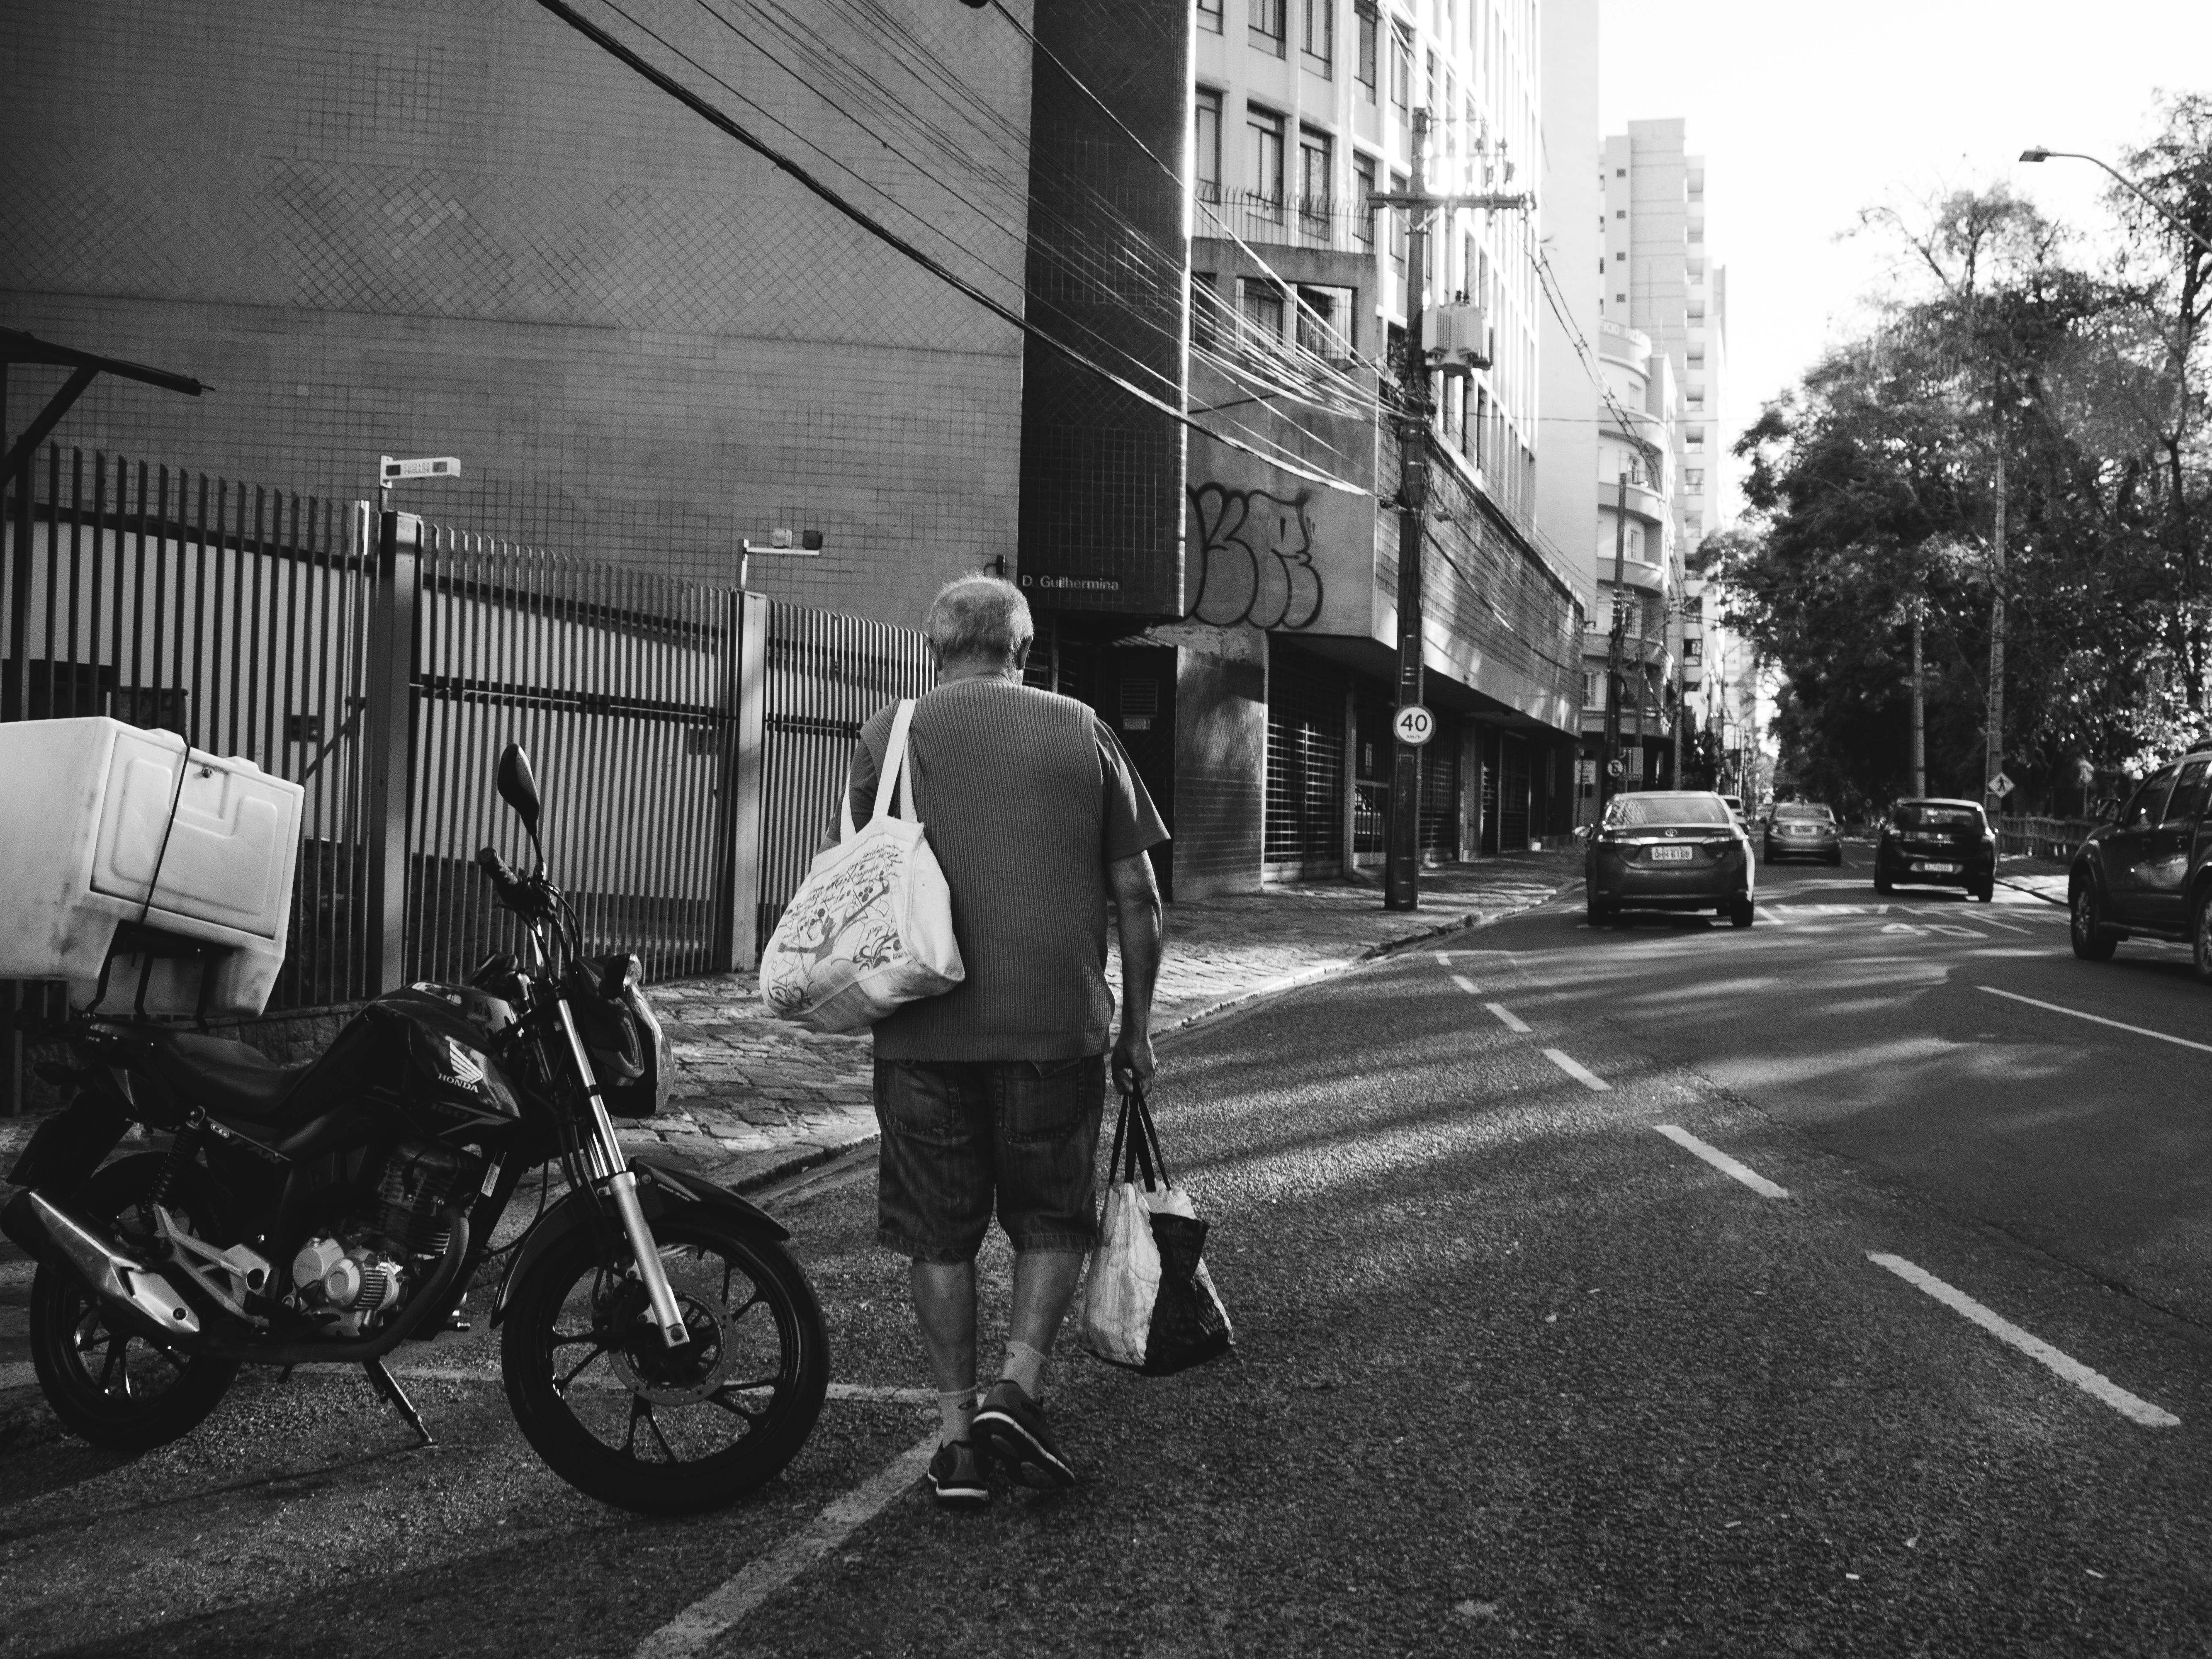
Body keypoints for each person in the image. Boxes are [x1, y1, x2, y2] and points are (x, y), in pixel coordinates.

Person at [846, 573, 1167, 1509]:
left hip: (920, 1028)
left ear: (935, 645)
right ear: (1024, 650)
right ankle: (1018, 1389)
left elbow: (866, 875)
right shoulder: (1083, 729)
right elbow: (1140, 899)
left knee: (939, 1236)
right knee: (1052, 1216)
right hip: (1053, 1027)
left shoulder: (887, 734)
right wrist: (1138, 1028)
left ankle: (955, 1436)